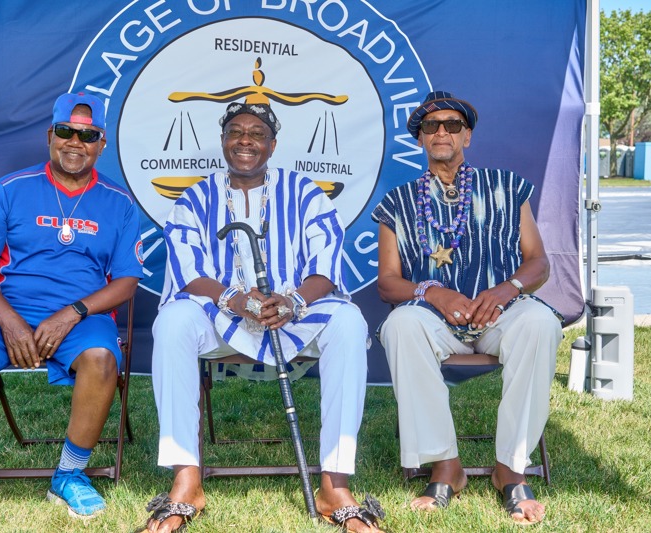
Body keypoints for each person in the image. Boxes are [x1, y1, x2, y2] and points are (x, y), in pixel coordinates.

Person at [143, 101, 385, 533]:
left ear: (272, 146)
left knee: (349, 322)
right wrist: (234, 299)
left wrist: (292, 302)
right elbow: (186, 270)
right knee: (173, 322)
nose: (245, 141)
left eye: (257, 134)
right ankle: (186, 481)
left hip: (293, 310)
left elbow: (326, 265)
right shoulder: (196, 197)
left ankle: (335, 485)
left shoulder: (305, 192)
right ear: (222, 141)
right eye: (235, 132)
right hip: (221, 311)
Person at [0, 92, 143, 526]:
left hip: (81, 316)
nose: (75, 142)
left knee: (102, 359)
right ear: (50, 135)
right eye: (66, 131)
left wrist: (72, 313)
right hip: (9, 309)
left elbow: (126, 281)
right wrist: (9, 320)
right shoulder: (10, 188)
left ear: (102, 144)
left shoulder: (119, 202)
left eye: (88, 135)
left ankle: (69, 475)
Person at [372, 91, 563, 525]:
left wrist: (505, 290)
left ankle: (511, 468)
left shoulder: (507, 187)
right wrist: (434, 293)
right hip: (435, 319)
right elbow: (387, 283)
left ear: (468, 136)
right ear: (420, 139)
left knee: (540, 322)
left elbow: (539, 262)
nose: (442, 131)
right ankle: (446, 466)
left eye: (452, 124)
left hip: (500, 313)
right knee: (401, 325)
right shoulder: (398, 202)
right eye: (431, 126)